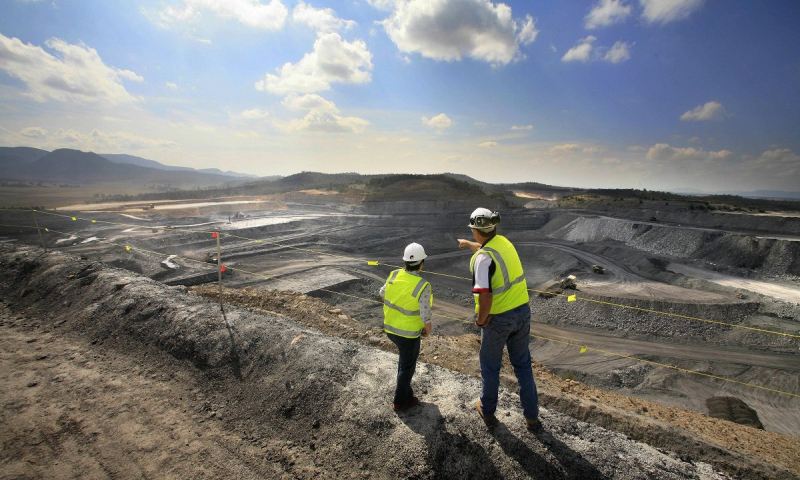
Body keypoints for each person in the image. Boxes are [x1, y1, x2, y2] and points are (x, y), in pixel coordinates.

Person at [457, 208, 541, 431]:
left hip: (498, 319)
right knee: (523, 366)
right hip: (522, 313)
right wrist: (468, 243)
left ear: (476, 231)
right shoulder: (504, 242)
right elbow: (487, 249)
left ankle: (488, 410)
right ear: (493, 227)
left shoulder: (482, 260)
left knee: (490, 366)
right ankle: (532, 417)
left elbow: (485, 295)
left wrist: (481, 321)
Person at [380, 242, 433, 411]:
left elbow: (382, 293)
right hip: (408, 335)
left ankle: (405, 393)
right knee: (407, 367)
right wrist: (427, 332)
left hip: (390, 328)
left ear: (405, 262)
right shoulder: (423, 285)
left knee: (404, 362)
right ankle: (401, 401)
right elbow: (425, 316)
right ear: (422, 263)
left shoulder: (394, 275)